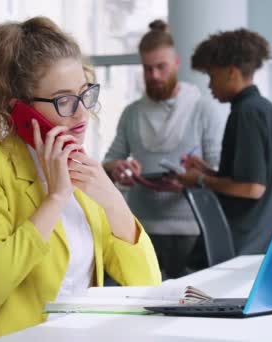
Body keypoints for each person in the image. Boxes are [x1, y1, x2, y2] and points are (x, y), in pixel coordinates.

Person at [0, 17, 161, 341]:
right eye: (64, 100)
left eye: (85, 95)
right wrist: (55, 198)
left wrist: (112, 200)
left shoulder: (85, 172)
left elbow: (148, 285)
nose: (82, 113)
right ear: (21, 110)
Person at [102, 20, 224, 278]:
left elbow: (219, 171)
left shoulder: (202, 109)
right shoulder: (132, 113)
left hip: (192, 228)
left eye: (161, 67)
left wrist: (196, 177)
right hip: (140, 227)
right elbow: (109, 161)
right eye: (147, 69)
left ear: (176, 63)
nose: (154, 75)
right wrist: (119, 168)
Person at [177, 28, 272, 256]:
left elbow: (252, 188)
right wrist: (209, 171)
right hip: (266, 243)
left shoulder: (245, 113)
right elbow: (254, 178)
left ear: (231, 72)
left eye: (212, 75)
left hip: (240, 245)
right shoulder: (271, 113)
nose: (210, 85)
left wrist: (200, 179)